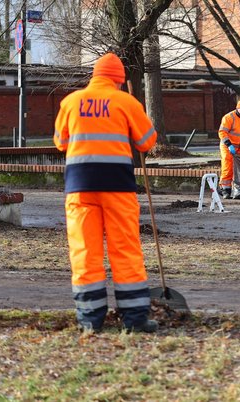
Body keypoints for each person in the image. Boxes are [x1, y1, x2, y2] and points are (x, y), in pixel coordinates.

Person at [53, 53, 159, 333]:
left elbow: (60, 143)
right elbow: (147, 142)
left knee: (84, 250)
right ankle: (134, 320)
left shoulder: (70, 102)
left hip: (80, 187)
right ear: (119, 81)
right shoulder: (126, 101)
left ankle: (90, 319)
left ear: (94, 76)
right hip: (118, 187)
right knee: (125, 249)